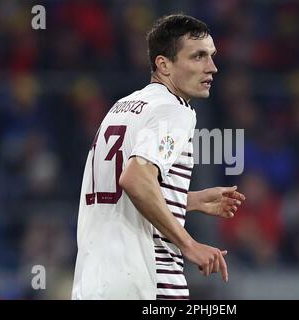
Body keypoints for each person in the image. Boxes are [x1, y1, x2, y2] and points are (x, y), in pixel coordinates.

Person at [71, 13, 245, 300]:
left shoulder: (123, 107)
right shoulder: (173, 111)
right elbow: (136, 179)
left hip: (94, 282)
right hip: (147, 281)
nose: (212, 67)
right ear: (163, 64)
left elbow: (117, 192)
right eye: (198, 56)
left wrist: (189, 200)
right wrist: (189, 244)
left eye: (212, 56)